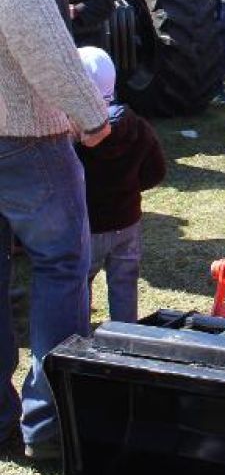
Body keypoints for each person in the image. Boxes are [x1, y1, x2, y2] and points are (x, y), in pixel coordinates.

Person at [0, 0, 110, 463]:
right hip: (18, 129)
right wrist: (86, 109)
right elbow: (29, 17)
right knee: (63, 262)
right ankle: (50, 424)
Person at [76, 47, 166, 322]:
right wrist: (129, 188)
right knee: (124, 283)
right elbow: (156, 172)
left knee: (78, 284)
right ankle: (125, 337)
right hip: (127, 221)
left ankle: (77, 336)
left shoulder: (73, 136)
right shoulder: (138, 126)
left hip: (87, 226)